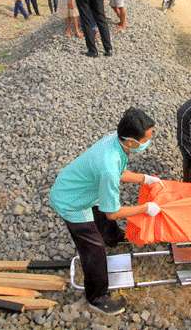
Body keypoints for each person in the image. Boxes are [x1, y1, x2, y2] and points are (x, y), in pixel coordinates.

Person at [48, 108, 163, 315]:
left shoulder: (115, 140)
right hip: (72, 201)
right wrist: (145, 208)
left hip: (82, 186)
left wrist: (144, 178)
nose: (150, 140)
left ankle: (113, 237)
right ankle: (97, 297)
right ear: (130, 142)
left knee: (101, 212)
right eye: (147, 138)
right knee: (94, 249)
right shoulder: (108, 166)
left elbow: (120, 172)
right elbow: (114, 212)